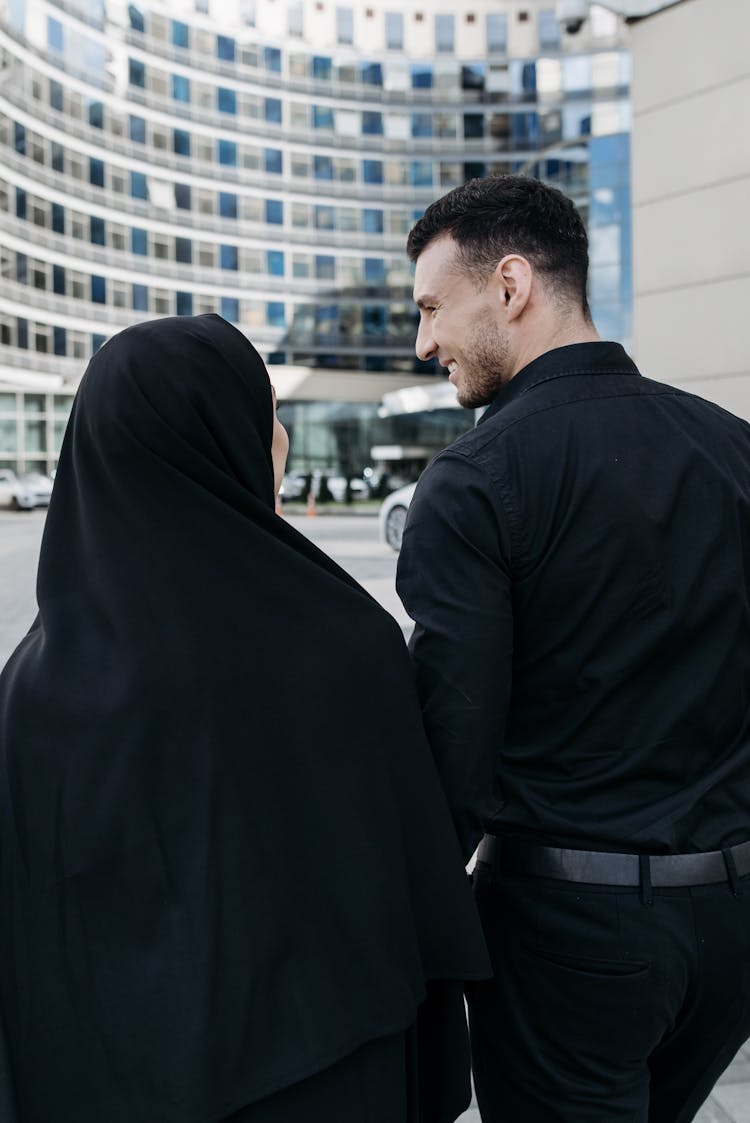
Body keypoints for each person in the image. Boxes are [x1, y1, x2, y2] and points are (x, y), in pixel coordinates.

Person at [0, 314, 490, 1123]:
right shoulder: (343, 644)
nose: (284, 439)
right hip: (327, 1076)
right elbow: (415, 886)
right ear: (220, 434)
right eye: (265, 413)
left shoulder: (28, 688)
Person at [396, 175, 750, 1122]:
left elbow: (452, 760)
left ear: (509, 285)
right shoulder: (734, 449)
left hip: (569, 941)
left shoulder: (474, 482)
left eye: (432, 306)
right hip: (731, 926)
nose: (423, 341)